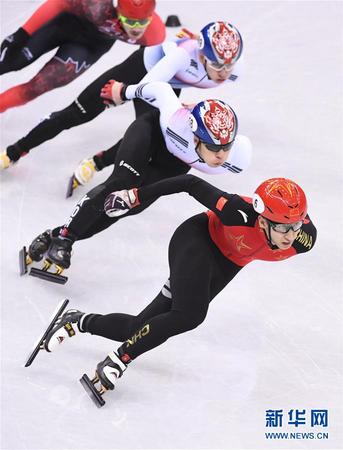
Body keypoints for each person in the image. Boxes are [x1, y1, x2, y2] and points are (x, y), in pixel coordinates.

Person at [35, 174, 317, 405]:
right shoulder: (237, 212)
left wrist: (292, 228)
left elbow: (296, 232)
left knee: (139, 327)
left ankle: (78, 321)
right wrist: (134, 196)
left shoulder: (303, 239)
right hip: (196, 240)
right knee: (189, 314)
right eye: (282, 228)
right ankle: (119, 359)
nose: (290, 235)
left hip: (226, 264)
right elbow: (188, 183)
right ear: (263, 220)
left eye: (294, 226)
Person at [22, 80, 252, 277]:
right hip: (150, 134)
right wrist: (123, 91)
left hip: (172, 163)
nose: (221, 155)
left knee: (126, 206)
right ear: (194, 138)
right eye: (213, 147)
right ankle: (65, 238)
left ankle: (53, 235)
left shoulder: (237, 158)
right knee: (121, 184)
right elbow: (161, 89)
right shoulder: (176, 120)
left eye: (226, 146)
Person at [0, 21, 243, 174]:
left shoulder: (233, 69)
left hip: (166, 85)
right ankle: (16, 150)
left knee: (147, 134)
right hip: (142, 73)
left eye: (229, 67)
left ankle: (97, 162)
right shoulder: (182, 56)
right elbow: (149, 85)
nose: (223, 73)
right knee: (77, 113)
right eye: (217, 65)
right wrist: (122, 91)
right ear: (201, 57)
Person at [0, 0, 164, 114]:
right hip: (61, 25)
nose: (136, 29)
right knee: (11, 62)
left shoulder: (155, 34)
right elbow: (58, 3)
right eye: (129, 21)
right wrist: (21, 33)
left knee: (37, 87)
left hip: (89, 47)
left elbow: (145, 64)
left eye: (143, 22)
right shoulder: (98, 4)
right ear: (118, 12)